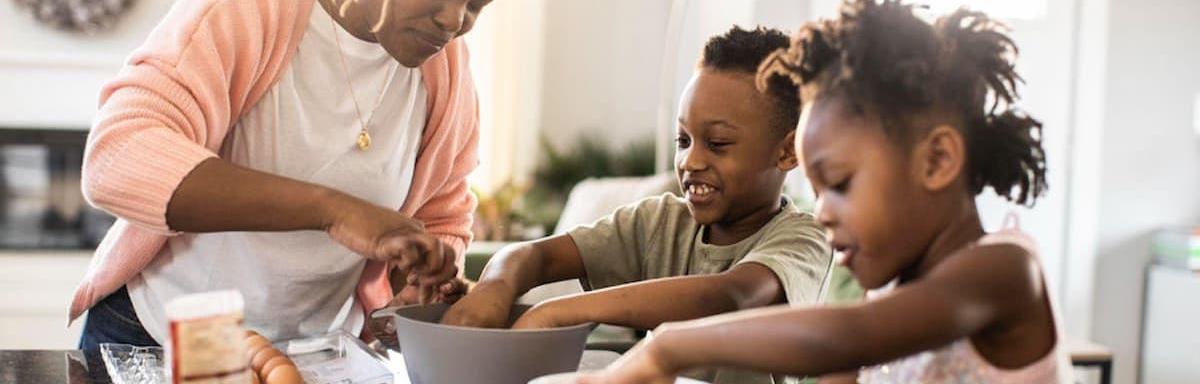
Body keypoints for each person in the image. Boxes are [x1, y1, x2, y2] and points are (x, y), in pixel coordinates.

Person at [582, 1, 1072, 383]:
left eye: (839, 185)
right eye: (815, 192)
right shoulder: (887, 296)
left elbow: (846, 339)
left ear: (937, 160)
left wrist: (668, 347)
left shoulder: (1004, 270)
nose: (823, 213)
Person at [72, 0, 491, 350]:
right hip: (162, 339)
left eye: (477, 4)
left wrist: (416, 284)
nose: (454, 22)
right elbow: (119, 155)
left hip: (318, 354)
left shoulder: (446, 69)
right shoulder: (244, 11)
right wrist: (336, 212)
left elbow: (440, 215)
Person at [442, 26, 832, 384]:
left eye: (717, 144)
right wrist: (494, 287)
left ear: (786, 151)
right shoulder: (658, 221)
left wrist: (559, 311)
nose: (690, 161)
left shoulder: (805, 237)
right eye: (683, 140)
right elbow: (535, 257)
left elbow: (729, 296)